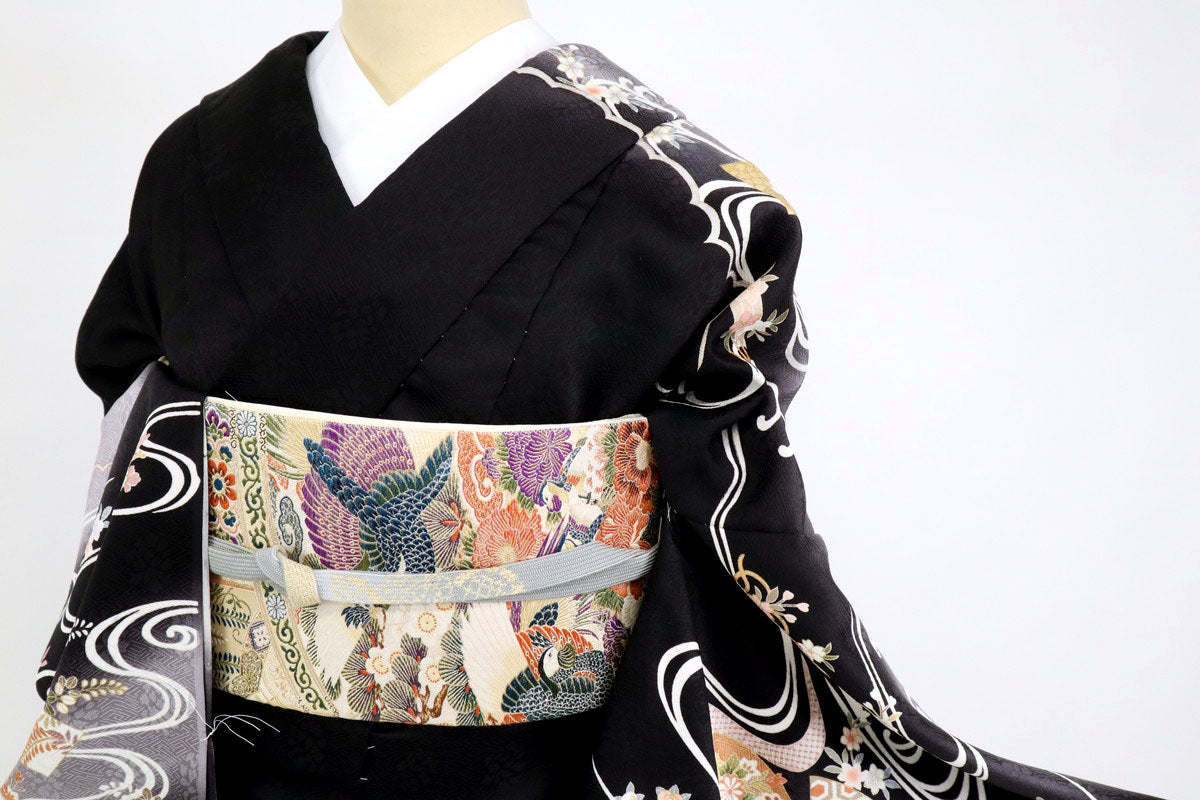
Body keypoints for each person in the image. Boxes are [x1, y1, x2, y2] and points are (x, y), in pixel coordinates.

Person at [5, 4, 1169, 800]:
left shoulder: (683, 197)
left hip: (533, 771)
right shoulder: (199, 159)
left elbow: (736, 534)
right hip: (228, 754)